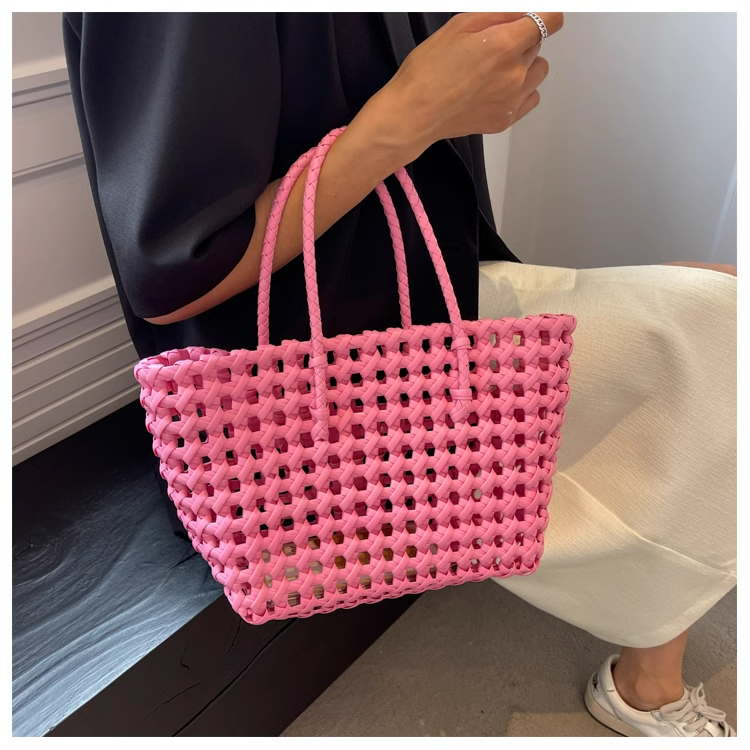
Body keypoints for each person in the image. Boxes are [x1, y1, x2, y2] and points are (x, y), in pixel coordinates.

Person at [63, 11, 735, 737]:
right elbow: (173, 276)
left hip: (423, 295)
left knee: (715, 318)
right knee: (717, 330)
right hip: (302, 361)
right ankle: (645, 684)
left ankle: (645, 661)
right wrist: (413, 116)